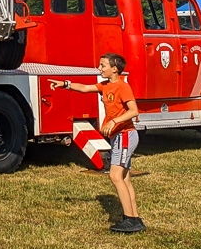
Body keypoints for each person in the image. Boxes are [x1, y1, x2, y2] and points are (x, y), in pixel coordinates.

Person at [57, 53, 143, 233]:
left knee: (114, 175)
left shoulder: (122, 86)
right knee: (124, 177)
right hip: (119, 136)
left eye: (103, 65)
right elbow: (84, 88)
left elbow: (133, 111)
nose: (99, 68)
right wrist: (65, 84)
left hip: (125, 134)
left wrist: (114, 121)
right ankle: (134, 218)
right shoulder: (105, 86)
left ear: (115, 69)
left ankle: (131, 220)